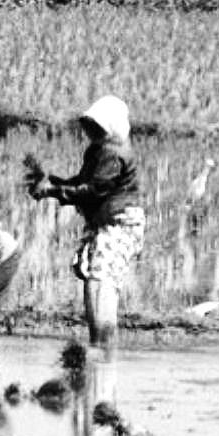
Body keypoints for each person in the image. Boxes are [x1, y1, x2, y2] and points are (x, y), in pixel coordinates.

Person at [26, 95, 142, 350]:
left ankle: (103, 348)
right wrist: (52, 182)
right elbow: (81, 183)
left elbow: (94, 191)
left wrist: (52, 190)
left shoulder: (113, 152)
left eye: (96, 126)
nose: (90, 131)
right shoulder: (97, 150)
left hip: (118, 223)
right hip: (104, 222)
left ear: (109, 126)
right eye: (89, 126)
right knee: (95, 281)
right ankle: (99, 347)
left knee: (101, 283)